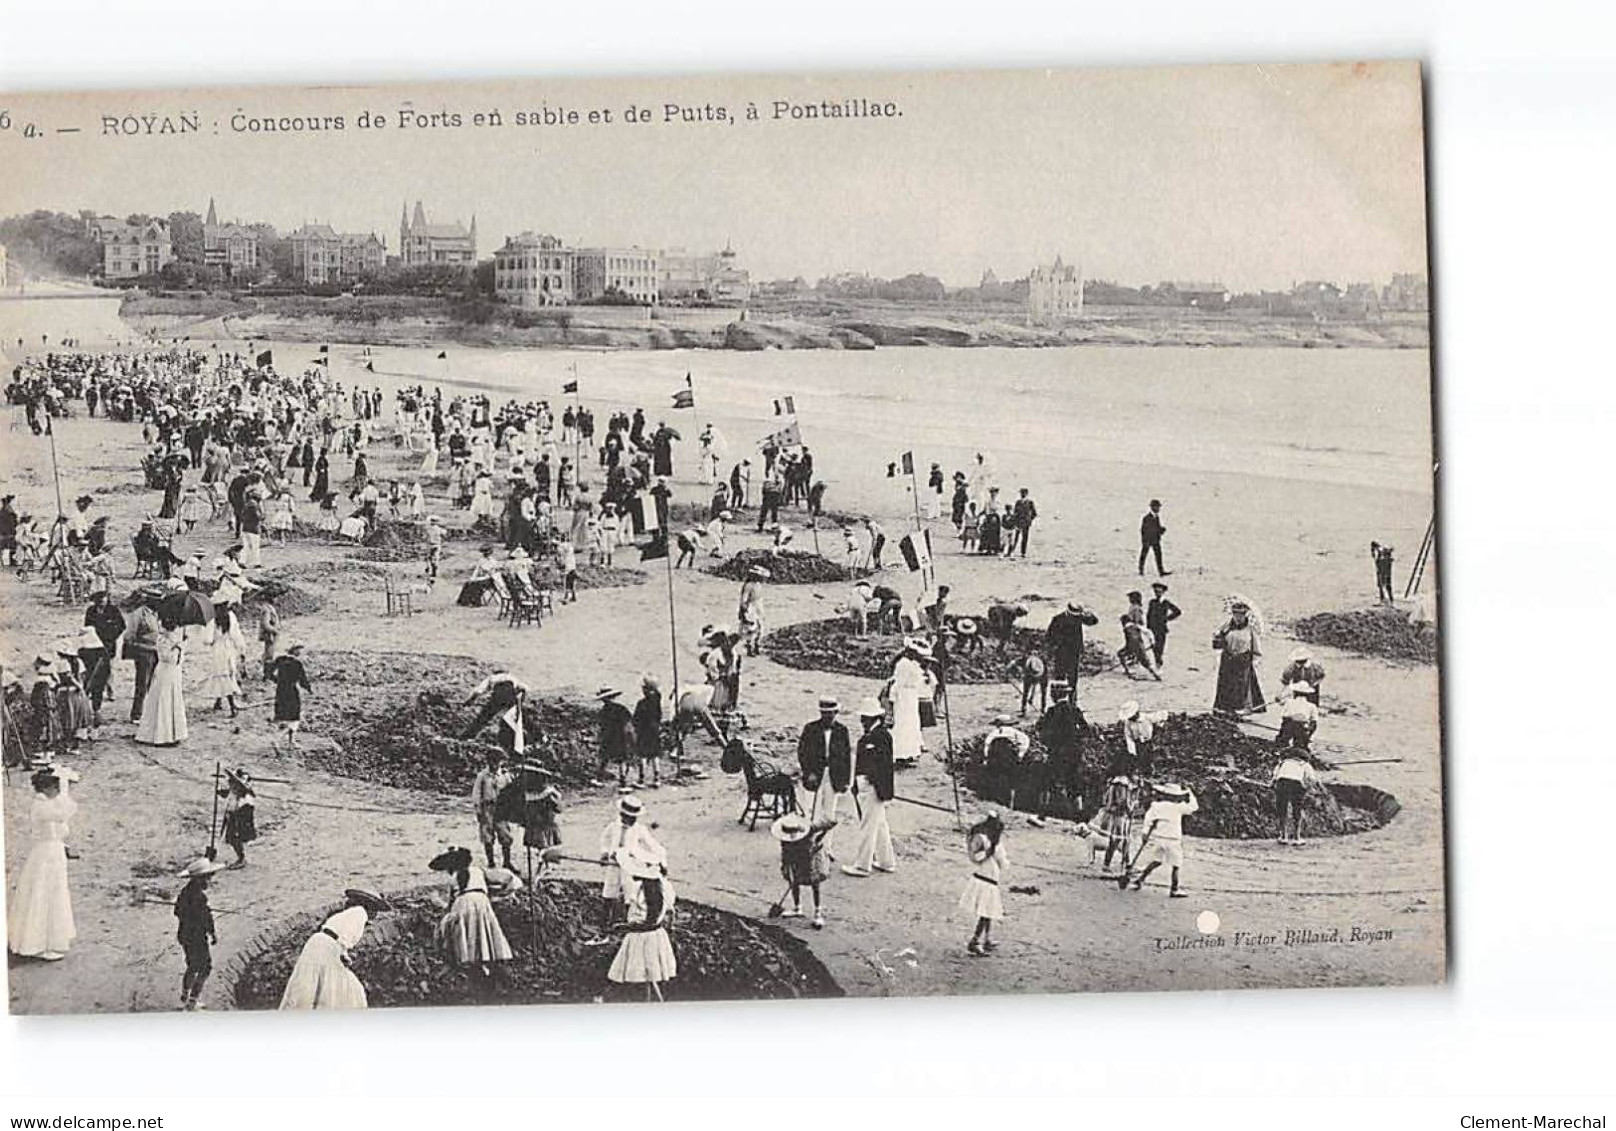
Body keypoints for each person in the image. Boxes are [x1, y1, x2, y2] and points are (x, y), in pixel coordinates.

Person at [7, 766, 79, 961]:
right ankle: (38, 944)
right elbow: (66, 811)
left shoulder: (47, 803)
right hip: (46, 855)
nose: (57, 791)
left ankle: (48, 940)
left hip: (52, 853)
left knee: (51, 893)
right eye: (55, 787)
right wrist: (64, 787)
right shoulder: (42, 806)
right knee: (45, 894)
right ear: (46, 788)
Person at [279, 889, 390, 1010]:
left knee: (316, 984)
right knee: (341, 986)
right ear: (369, 905)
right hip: (326, 947)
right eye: (375, 909)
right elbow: (342, 939)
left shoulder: (344, 916)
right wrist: (343, 956)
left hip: (321, 945)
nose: (376, 914)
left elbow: (340, 936)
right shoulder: (359, 913)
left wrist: (344, 955)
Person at [608, 843, 677, 1002]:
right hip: (652, 935)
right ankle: (648, 1002)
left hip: (645, 938)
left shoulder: (652, 890)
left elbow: (649, 922)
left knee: (649, 975)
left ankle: (658, 1006)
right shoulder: (657, 884)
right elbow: (670, 912)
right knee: (647, 978)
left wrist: (623, 927)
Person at [430, 845, 514, 974]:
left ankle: (467, 962)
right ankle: (488, 963)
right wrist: (500, 892)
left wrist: (438, 903)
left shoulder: (454, 879)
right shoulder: (478, 871)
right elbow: (506, 877)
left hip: (462, 904)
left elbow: (450, 905)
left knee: (465, 932)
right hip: (481, 901)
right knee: (484, 931)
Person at [842, 698, 896, 878]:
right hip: (866, 784)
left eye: (865, 718)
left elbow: (883, 766)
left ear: (873, 718)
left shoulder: (880, 736)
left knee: (868, 826)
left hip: (873, 786)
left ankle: (862, 865)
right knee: (879, 824)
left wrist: (875, 785)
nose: (862, 722)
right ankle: (886, 861)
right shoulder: (870, 736)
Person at [597, 795, 661, 929]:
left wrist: (656, 860)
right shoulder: (614, 826)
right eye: (628, 817)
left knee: (630, 893)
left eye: (634, 818)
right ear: (622, 814)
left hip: (630, 866)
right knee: (609, 890)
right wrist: (604, 853)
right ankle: (604, 923)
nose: (631, 820)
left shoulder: (639, 830)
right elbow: (605, 839)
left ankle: (629, 922)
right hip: (613, 864)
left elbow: (653, 846)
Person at [1124, 783, 1198, 897]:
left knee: (1156, 861)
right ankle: (1174, 889)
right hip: (1173, 840)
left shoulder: (1156, 806)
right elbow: (1194, 807)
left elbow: (1148, 820)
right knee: (1176, 864)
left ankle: (1139, 880)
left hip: (1159, 838)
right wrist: (1190, 793)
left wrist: (1144, 833)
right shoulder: (1179, 807)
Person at [173, 855, 225, 1009]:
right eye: (208, 878)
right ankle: (192, 1002)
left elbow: (177, 911)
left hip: (184, 935)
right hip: (197, 937)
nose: (210, 882)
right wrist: (212, 933)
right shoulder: (199, 898)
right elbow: (206, 919)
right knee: (205, 967)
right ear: (199, 879)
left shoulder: (184, 893)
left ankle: (184, 995)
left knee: (192, 966)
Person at [773, 812, 836, 929]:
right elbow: (785, 854)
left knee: (815, 885)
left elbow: (829, 823)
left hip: (810, 860)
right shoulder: (783, 838)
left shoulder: (810, 830)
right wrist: (787, 864)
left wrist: (825, 830)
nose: (791, 836)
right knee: (793, 882)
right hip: (793, 861)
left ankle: (817, 913)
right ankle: (797, 908)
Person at [797, 696, 854, 824]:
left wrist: (845, 781)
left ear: (836, 713)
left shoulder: (842, 730)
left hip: (834, 775)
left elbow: (846, 757)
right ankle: (810, 841)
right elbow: (802, 753)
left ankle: (826, 843)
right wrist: (808, 772)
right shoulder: (810, 729)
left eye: (830, 714)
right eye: (824, 713)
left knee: (829, 813)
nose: (827, 717)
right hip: (814, 774)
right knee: (811, 810)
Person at [134, 618, 188, 747]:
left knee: (173, 700)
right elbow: (167, 657)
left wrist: (181, 646)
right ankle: (162, 735)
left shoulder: (173, 639)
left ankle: (174, 734)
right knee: (164, 700)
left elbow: (179, 660)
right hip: (165, 672)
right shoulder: (163, 639)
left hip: (174, 673)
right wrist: (178, 648)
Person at [959, 811, 1007, 956]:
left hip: (983, 878)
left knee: (988, 911)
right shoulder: (992, 843)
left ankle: (987, 939)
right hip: (988, 880)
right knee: (986, 913)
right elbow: (1003, 862)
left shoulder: (982, 840)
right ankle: (975, 940)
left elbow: (975, 856)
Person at [1212, 597, 1265, 714]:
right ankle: (1223, 708)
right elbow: (1217, 642)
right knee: (1225, 683)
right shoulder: (1226, 626)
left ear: (1245, 614)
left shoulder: (1251, 629)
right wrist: (1217, 637)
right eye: (1236, 614)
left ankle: (1241, 708)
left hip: (1243, 659)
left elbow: (1256, 647)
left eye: (1241, 614)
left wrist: (1256, 660)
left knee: (1241, 685)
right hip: (1228, 658)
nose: (1238, 617)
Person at [472, 750, 517, 870]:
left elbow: (512, 792)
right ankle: (491, 863)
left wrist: (512, 808)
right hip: (487, 808)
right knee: (487, 836)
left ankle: (507, 862)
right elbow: (476, 794)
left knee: (505, 836)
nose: (494, 765)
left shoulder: (505, 775)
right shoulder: (482, 776)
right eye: (492, 762)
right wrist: (478, 811)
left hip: (501, 808)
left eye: (497, 762)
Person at [888, 638, 928, 764]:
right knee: (903, 723)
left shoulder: (914, 664)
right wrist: (893, 698)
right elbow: (898, 683)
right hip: (903, 696)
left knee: (912, 722)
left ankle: (910, 752)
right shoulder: (903, 664)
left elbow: (918, 681)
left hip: (911, 696)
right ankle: (901, 753)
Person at [202, 604, 245, 718]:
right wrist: (241, 649)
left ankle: (232, 706)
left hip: (219, 649)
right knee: (228, 674)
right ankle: (219, 702)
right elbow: (236, 635)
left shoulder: (212, 619)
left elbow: (207, 639)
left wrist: (213, 639)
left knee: (221, 675)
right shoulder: (231, 616)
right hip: (229, 648)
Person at [1046, 601, 1099, 687]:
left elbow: (1093, 622)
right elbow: (1049, 635)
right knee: (1060, 675)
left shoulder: (1078, 617)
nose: (1074, 618)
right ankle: (1059, 696)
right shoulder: (1058, 619)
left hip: (1074, 651)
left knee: (1073, 676)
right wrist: (1052, 648)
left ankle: (1072, 698)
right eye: (1073, 616)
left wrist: (1089, 615)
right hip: (1061, 651)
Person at [268, 644, 312, 750]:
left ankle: (291, 742)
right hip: (291, 692)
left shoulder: (280, 660)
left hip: (280, 691)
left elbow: (268, 671)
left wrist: (276, 680)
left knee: (282, 716)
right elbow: (303, 680)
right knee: (294, 717)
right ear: (296, 652)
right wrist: (309, 689)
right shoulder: (297, 664)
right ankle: (278, 739)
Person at [595, 686, 636, 787]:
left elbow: (601, 726)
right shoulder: (621, 709)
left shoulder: (603, 711)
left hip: (608, 737)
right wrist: (631, 738)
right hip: (619, 737)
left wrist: (600, 736)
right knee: (621, 759)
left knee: (604, 758)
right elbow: (628, 724)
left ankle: (599, 779)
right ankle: (623, 782)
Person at [1273, 754, 1319, 844]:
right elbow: (1312, 779)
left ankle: (1283, 836)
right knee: (1297, 809)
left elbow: (1275, 777)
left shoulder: (1283, 763)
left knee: (1282, 809)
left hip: (1282, 782)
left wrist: (1272, 785)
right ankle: (1297, 838)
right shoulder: (1305, 764)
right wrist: (1307, 787)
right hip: (1296, 784)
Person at [218, 768, 258, 868]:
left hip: (239, 818)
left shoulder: (246, 800)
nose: (232, 785)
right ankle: (241, 857)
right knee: (231, 838)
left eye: (234, 783)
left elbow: (246, 813)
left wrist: (237, 819)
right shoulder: (234, 790)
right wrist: (219, 792)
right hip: (232, 815)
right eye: (231, 782)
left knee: (235, 838)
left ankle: (241, 859)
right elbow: (227, 794)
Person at [632, 675, 664, 788]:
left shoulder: (642, 704)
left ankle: (642, 779)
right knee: (655, 755)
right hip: (655, 730)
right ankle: (657, 779)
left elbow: (636, 719)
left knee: (643, 755)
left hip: (644, 731)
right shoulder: (657, 700)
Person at [1146, 582, 1181, 667]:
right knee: (1154, 646)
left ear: (1163, 592)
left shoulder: (1166, 602)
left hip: (1161, 628)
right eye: (1155, 591)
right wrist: (1148, 626)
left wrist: (1167, 619)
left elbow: (1177, 611)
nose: (1157, 593)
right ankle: (1156, 661)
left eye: (1159, 591)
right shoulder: (1152, 602)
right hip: (1153, 628)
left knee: (1160, 646)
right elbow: (1148, 614)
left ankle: (1159, 662)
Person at [1275, 683, 1319, 751]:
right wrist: (1308, 736)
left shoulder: (1289, 702)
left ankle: (1281, 745)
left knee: (1280, 743)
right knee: (1301, 746)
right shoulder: (1312, 706)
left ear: (1294, 693)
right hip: (1302, 727)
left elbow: (1284, 716)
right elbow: (1314, 723)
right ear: (1307, 694)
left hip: (1288, 725)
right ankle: (1301, 745)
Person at [737, 567, 767, 657]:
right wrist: (743, 610)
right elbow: (744, 599)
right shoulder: (749, 586)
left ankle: (757, 646)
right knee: (750, 629)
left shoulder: (758, 585)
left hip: (758, 607)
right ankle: (750, 648)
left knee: (760, 628)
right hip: (750, 609)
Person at [1138, 498, 1169, 577]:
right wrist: (1145, 541)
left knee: (1158, 556)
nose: (1158, 509)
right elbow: (1144, 530)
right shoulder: (1146, 518)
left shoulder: (1156, 517)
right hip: (1148, 540)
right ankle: (1141, 570)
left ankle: (1161, 571)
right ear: (1152, 507)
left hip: (1155, 540)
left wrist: (1161, 530)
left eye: (1158, 507)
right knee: (1144, 555)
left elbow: (1155, 528)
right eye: (1157, 507)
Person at [1010, 487, 1037, 558]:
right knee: (1016, 537)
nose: (1022, 494)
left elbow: (1034, 513)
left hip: (1026, 522)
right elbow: (1015, 512)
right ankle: (1012, 551)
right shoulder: (1018, 502)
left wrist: (1029, 520)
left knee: (1025, 538)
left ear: (1026, 494)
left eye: (1024, 493)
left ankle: (1023, 552)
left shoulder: (1030, 502)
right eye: (1021, 493)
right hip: (1018, 522)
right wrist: (1015, 520)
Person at [257, 600, 281, 681]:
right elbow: (265, 624)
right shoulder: (266, 609)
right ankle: (267, 674)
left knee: (270, 653)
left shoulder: (269, 608)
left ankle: (268, 673)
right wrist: (275, 630)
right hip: (269, 635)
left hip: (271, 634)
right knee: (269, 654)